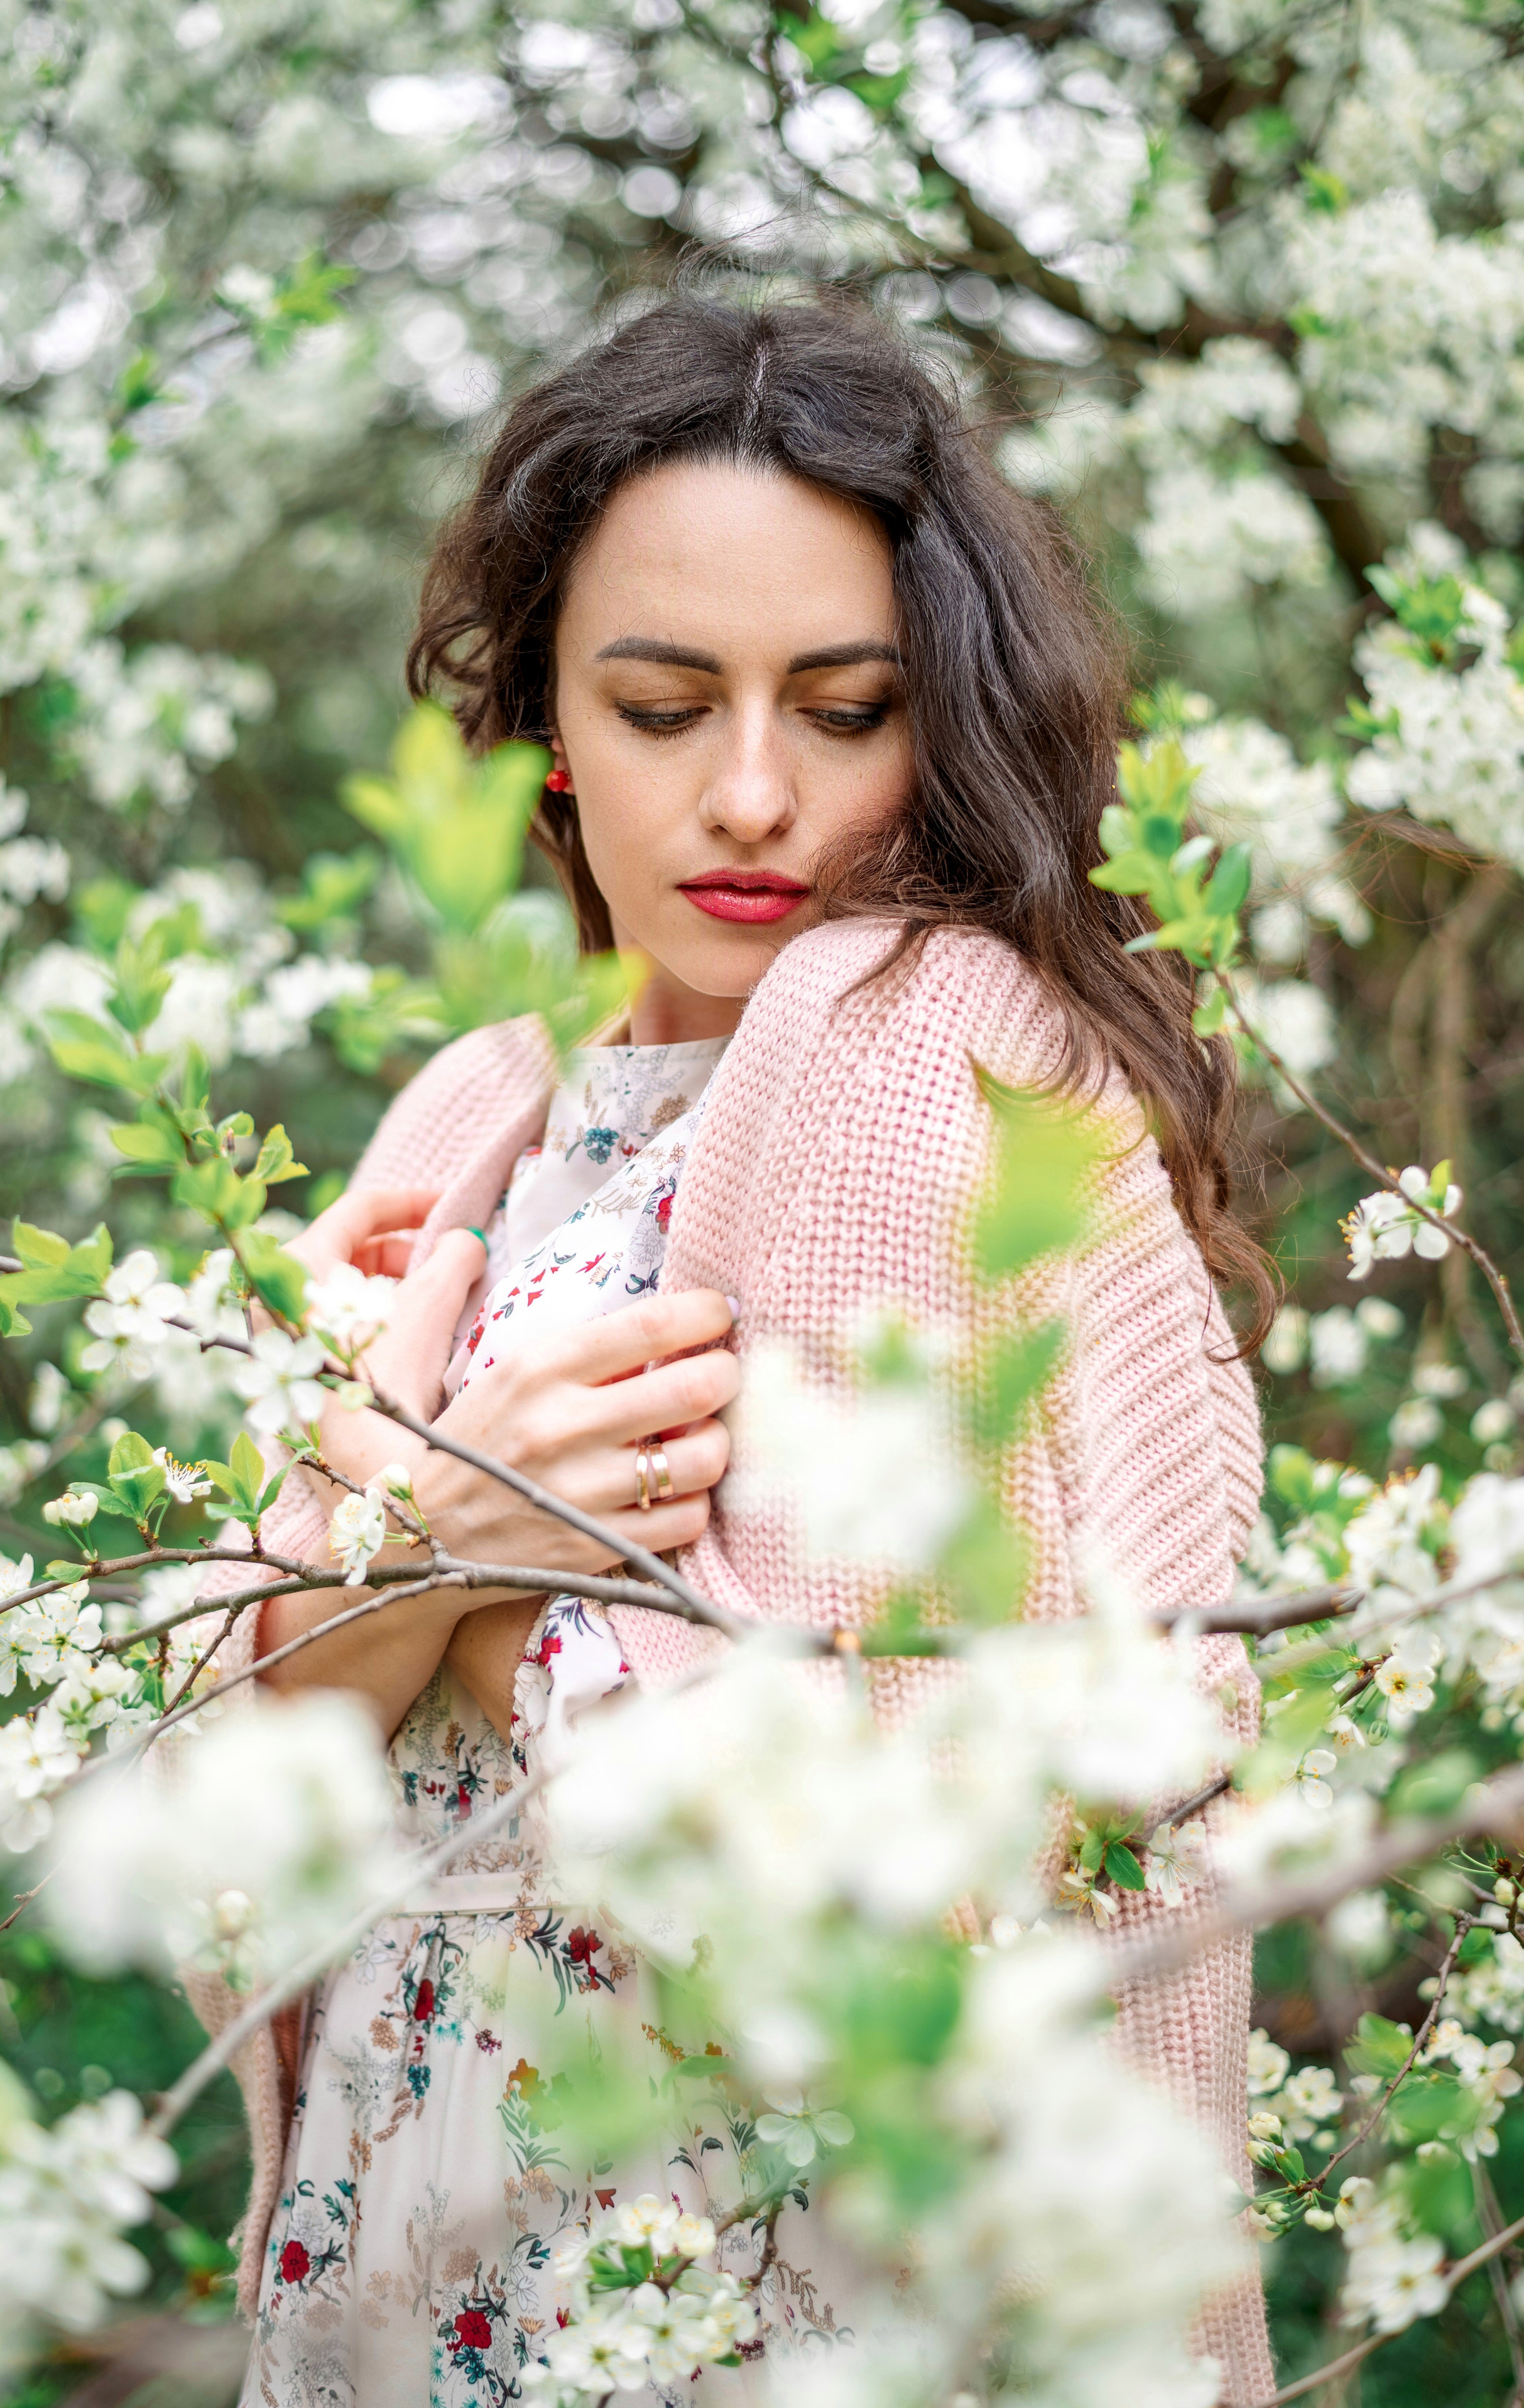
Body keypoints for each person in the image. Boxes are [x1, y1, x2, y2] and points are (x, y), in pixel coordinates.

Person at [190, 296, 1275, 2405]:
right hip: (407, 2238)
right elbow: (228, 1793)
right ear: (546, 733)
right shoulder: (477, 1107)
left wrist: (454, 1573)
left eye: (846, 707)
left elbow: (906, 1864)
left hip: (769, 2293)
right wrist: (428, 1531)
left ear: (943, 724)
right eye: (665, 704)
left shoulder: (928, 1065)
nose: (754, 794)